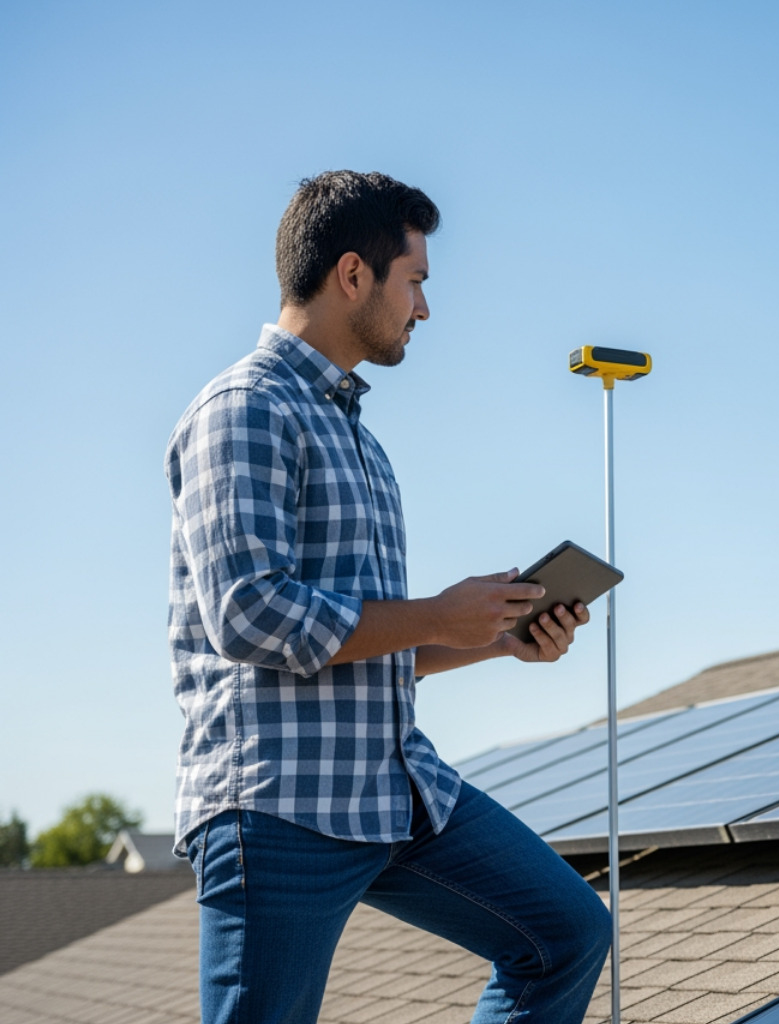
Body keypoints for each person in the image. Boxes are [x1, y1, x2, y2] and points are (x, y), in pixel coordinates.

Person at [164, 171, 611, 1024]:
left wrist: (497, 638)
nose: (426, 309)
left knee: (565, 934)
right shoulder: (244, 409)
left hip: (395, 793)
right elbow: (251, 614)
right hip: (279, 808)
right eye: (418, 281)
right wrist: (442, 611)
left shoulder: (362, 444)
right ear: (354, 275)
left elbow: (369, 649)